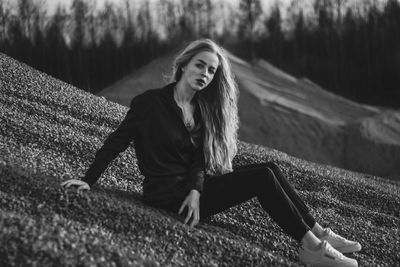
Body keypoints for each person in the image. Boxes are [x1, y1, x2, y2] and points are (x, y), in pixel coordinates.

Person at [61, 39, 361, 266]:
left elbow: (197, 160)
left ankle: (319, 231)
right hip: (165, 196)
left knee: (269, 167)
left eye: (212, 70)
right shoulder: (149, 103)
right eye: (200, 65)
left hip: (190, 193)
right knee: (261, 179)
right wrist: (88, 179)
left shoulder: (200, 111)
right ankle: (311, 247)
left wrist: (195, 189)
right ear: (183, 65)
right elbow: (116, 142)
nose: (205, 73)